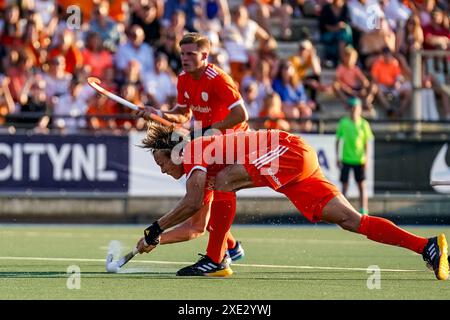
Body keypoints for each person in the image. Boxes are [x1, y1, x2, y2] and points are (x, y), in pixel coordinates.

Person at [136, 121, 449, 281]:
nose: (163, 169)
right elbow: (196, 225)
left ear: (176, 151)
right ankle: (426, 246)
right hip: (296, 159)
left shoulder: (192, 153)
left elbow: (191, 203)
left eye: (162, 162)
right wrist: (154, 238)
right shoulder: (204, 168)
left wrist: (155, 227)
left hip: (285, 151)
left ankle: (218, 260)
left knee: (226, 180)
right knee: (352, 221)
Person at [136, 32, 249, 276]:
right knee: (203, 204)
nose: (185, 59)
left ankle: (220, 256)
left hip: (230, 143)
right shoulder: (184, 79)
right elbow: (183, 114)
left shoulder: (219, 79)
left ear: (205, 56)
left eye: (191, 54)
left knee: (202, 205)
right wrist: (158, 112)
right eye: (183, 54)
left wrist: (156, 237)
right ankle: (230, 247)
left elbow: (241, 115)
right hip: (206, 143)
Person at [336, 97, 373, 215]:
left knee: (361, 185)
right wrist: (338, 157)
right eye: (352, 107)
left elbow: (367, 143)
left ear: (360, 109)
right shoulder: (343, 122)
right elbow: (338, 141)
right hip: (346, 158)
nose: (354, 110)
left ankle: (364, 211)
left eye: (356, 107)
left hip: (359, 159)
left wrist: (366, 158)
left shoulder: (364, 124)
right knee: (344, 186)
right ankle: (343, 210)